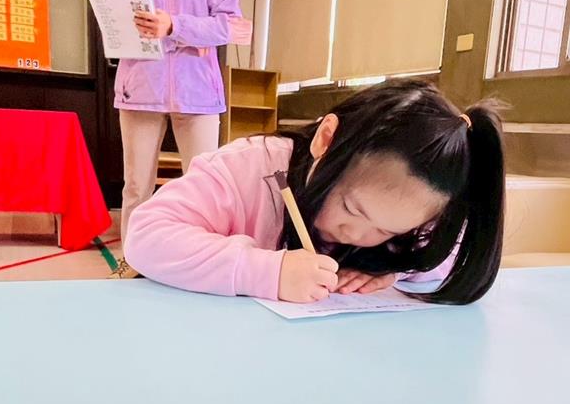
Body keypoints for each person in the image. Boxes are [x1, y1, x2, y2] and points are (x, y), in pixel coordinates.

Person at [123, 80, 505, 305]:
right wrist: (265, 272)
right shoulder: (250, 167)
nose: (358, 235)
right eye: (352, 208)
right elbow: (146, 236)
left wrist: (393, 270)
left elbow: (452, 256)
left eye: (388, 231)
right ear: (326, 138)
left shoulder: (418, 203)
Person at [101, 0, 250, 277]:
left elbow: (232, 26)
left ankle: (199, 263)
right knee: (136, 186)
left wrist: (175, 25)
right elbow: (112, 17)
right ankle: (133, 261)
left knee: (204, 187)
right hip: (139, 87)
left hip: (198, 90)